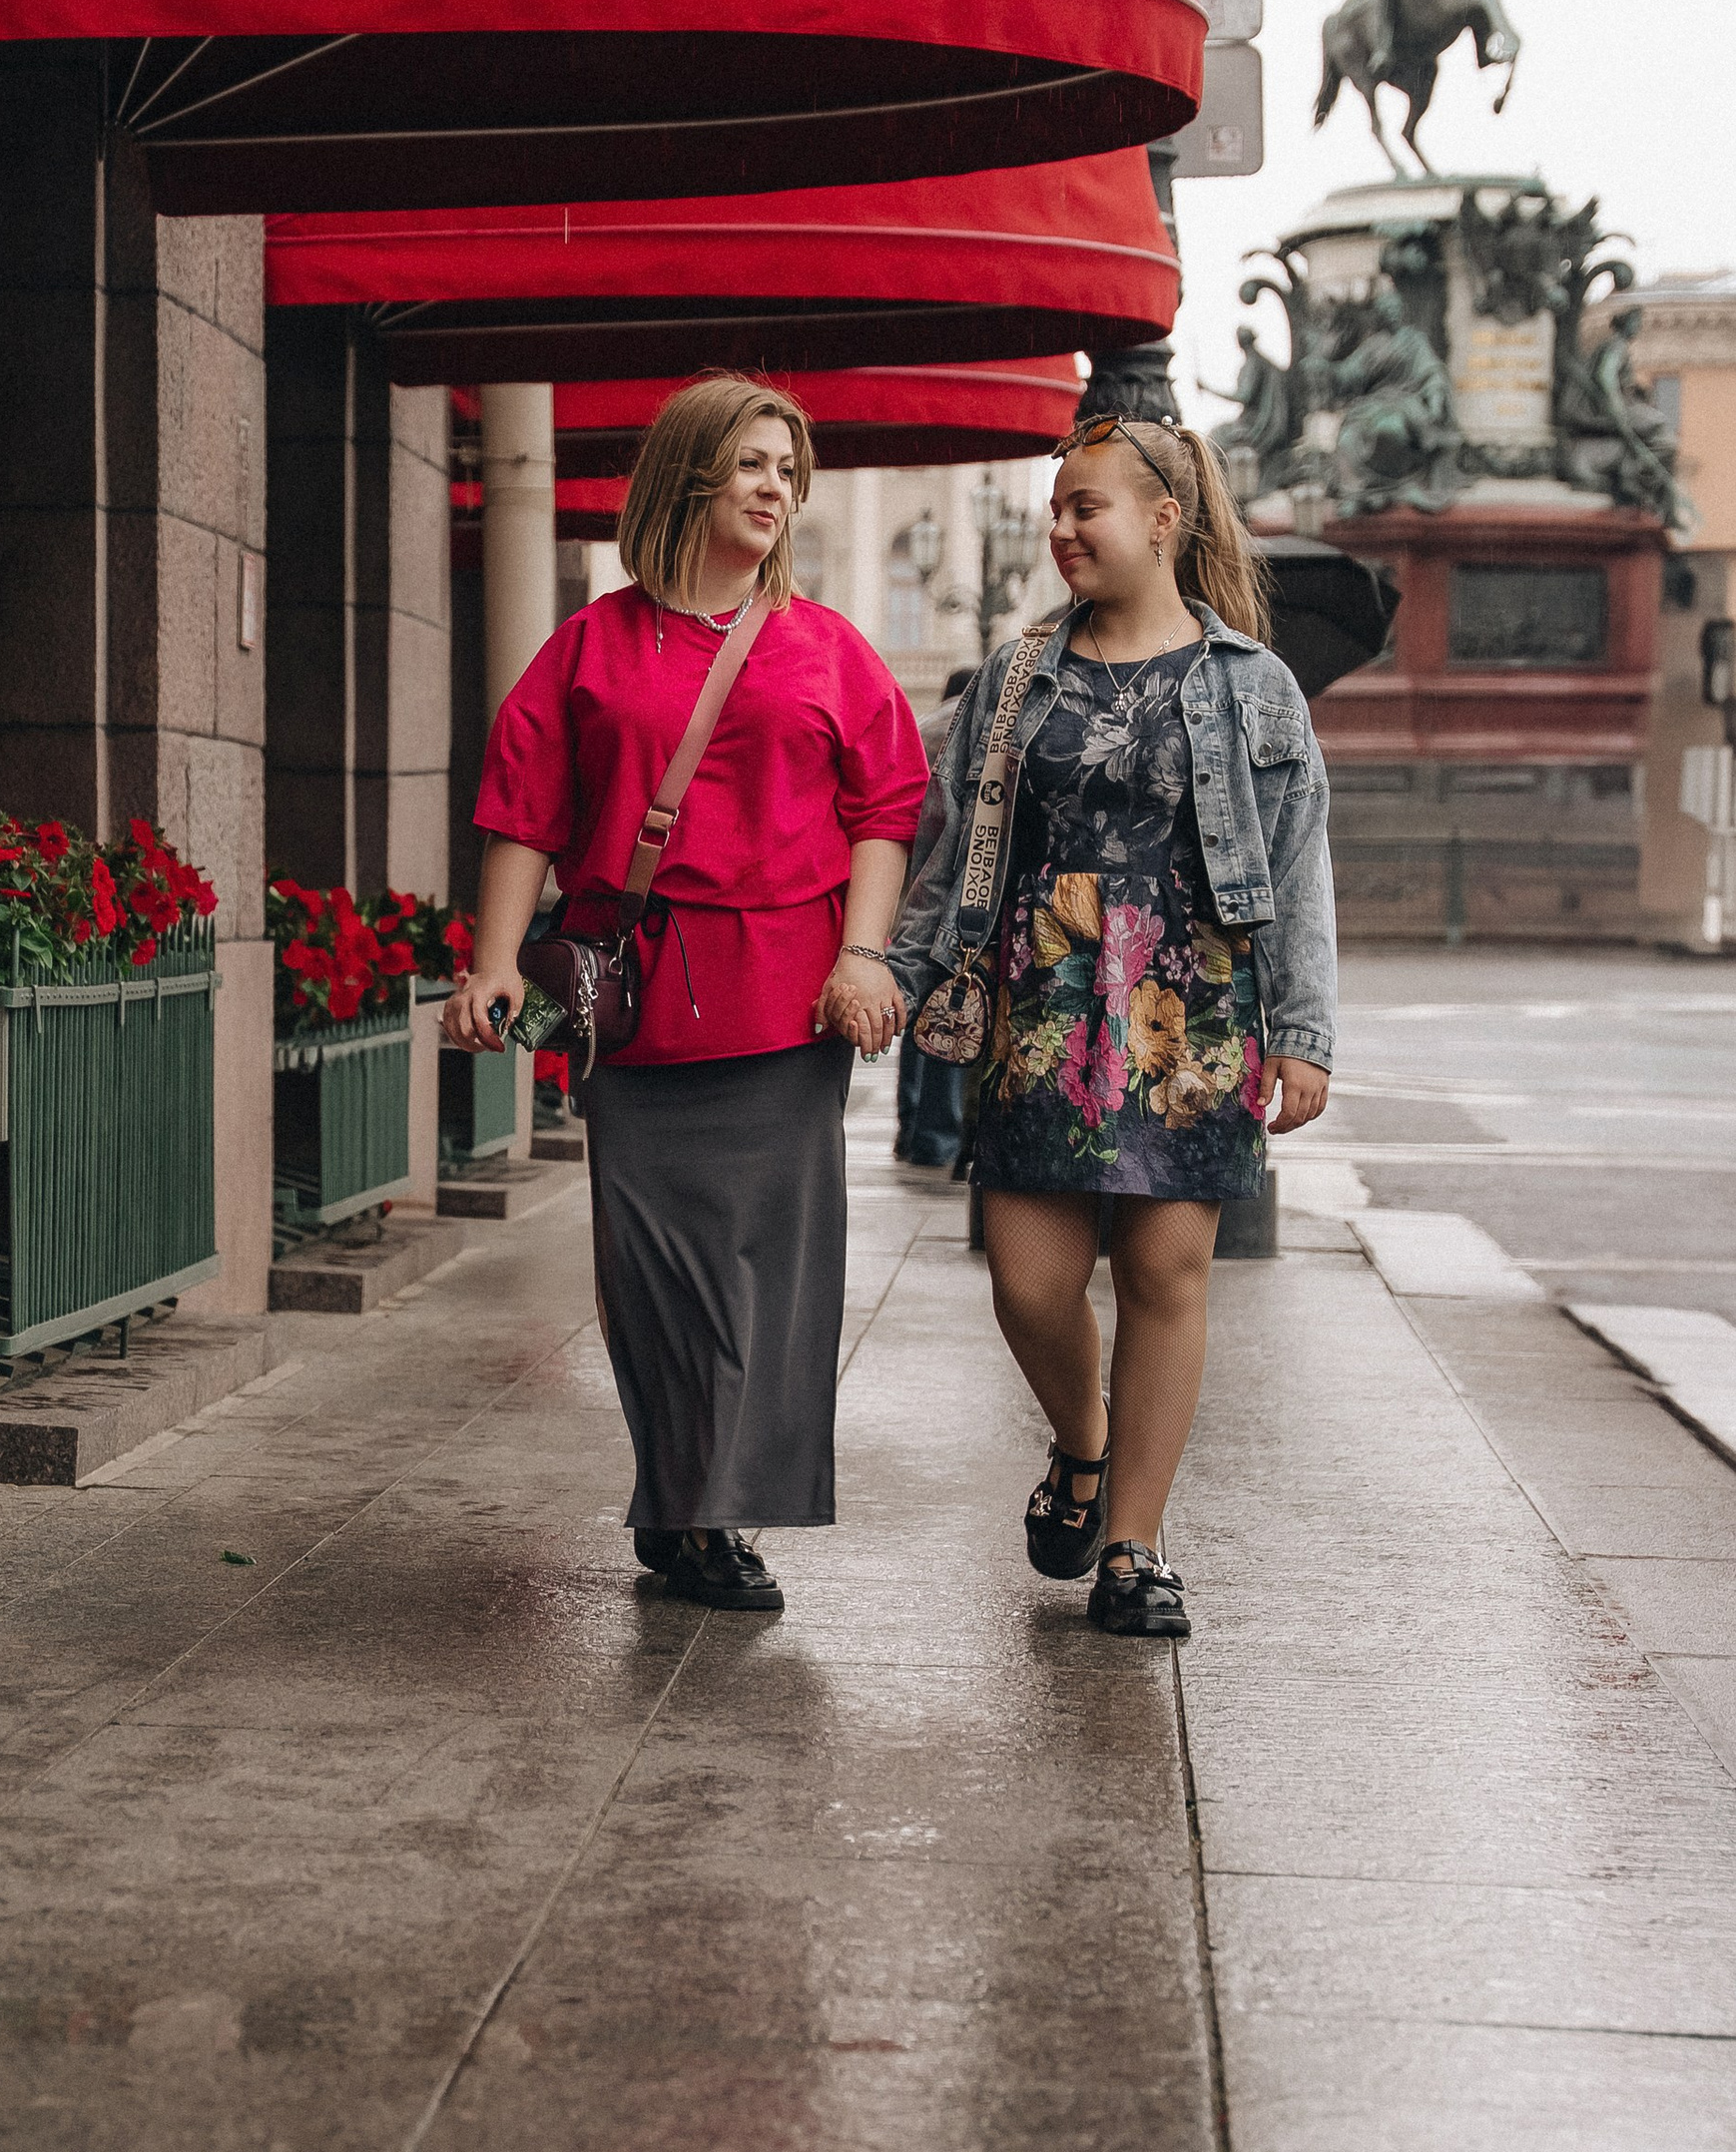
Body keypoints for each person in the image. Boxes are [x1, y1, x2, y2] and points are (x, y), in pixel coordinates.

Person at [443, 378, 927, 1614]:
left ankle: (715, 1514)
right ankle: (676, 1491)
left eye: (787, 470)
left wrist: (863, 956)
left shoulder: (826, 647)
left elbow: (887, 808)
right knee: (653, 1272)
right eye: (752, 463)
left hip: (785, 1001)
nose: (775, 487)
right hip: (638, 1003)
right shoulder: (594, 645)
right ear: (688, 475)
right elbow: (524, 809)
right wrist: (494, 961)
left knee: (765, 1268)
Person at [889, 414, 1336, 1639]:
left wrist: (1302, 1031)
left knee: (1162, 1271)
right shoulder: (1015, 673)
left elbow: (1298, 869)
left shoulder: (1251, 685)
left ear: (1163, 519)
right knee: (1029, 1283)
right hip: (1042, 987)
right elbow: (950, 843)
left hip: (1187, 999)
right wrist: (899, 970)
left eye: (1087, 504)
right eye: (1056, 506)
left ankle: (1134, 1543)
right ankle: (1079, 1443)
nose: (1063, 527)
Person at [893, 663, 977, 1169]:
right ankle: (940, 1136)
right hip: (961, 889)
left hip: (911, 887)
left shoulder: (924, 725)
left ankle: (912, 1127)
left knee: (916, 1005)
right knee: (952, 1008)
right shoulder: (973, 725)